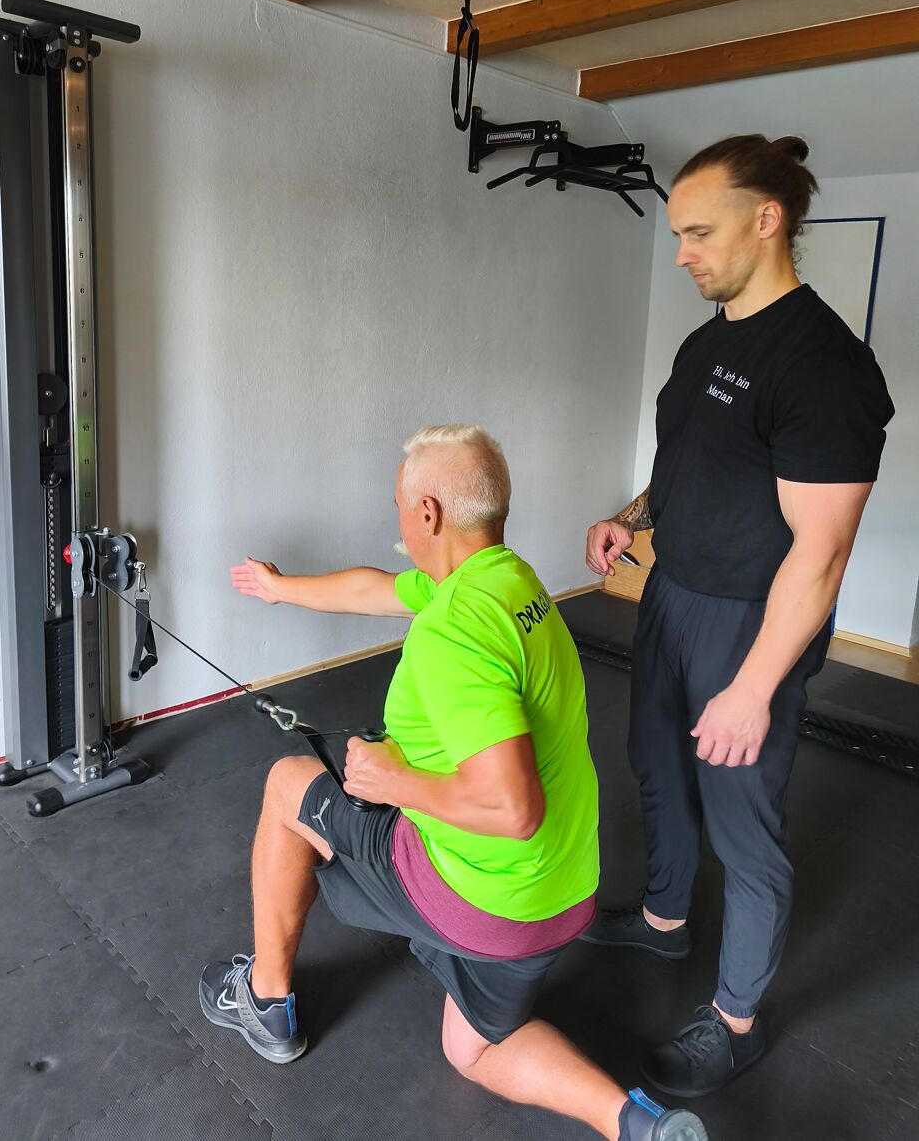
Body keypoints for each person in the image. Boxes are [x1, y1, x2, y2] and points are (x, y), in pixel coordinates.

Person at [201, 426, 709, 1141]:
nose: (399, 522)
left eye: (400, 507)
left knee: (289, 784)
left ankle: (264, 1000)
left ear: (428, 513)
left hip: (488, 898)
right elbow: (375, 588)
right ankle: (634, 1122)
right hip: (563, 894)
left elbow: (513, 807)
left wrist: (395, 780)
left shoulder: (453, 632)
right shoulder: (510, 581)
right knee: (471, 1049)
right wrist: (280, 589)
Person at [582, 135, 895, 1097]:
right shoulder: (706, 341)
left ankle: (736, 1020)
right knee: (657, 766)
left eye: (699, 233)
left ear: (768, 219)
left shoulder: (825, 365)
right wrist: (631, 517)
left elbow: (823, 549)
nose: (681, 253)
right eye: (678, 234)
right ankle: (665, 920)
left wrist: (754, 686)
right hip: (672, 594)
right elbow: (692, 461)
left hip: (751, 622)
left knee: (743, 824)